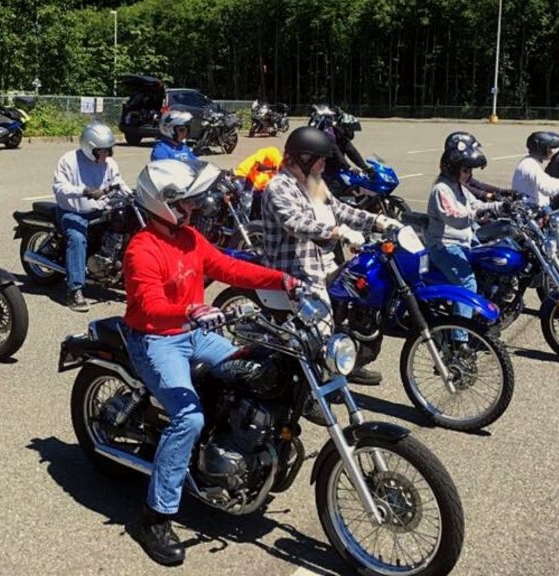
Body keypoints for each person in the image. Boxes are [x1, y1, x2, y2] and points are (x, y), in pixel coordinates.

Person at [123, 159, 302, 566]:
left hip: (194, 332)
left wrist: (281, 279)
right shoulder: (141, 249)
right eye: (185, 202)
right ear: (164, 203)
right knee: (188, 418)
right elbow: (149, 306)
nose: (193, 206)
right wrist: (190, 311)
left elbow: (229, 268)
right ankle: (155, 516)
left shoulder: (190, 237)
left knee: (255, 369)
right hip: (155, 338)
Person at [262, 126, 402, 386]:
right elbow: (296, 223)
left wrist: (378, 221)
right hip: (295, 269)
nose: (325, 164)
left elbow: (342, 210)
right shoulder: (279, 187)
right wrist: (339, 232)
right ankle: (313, 387)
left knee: (366, 292)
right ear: (304, 158)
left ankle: (349, 360)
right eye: (321, 159)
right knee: (321, 324)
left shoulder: (314, 183)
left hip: (325, 263)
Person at [426, 135, 504, 342]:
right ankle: (460, 339)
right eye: (466, 169)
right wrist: (481, 213)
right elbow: (456, 218)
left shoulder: (459, 187)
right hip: (445, 246)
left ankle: (483, 316)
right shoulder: (442, 189)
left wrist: (502, 206)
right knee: (467, 284)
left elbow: (476, 205)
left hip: (464, 243)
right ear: (453, 168)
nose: (470, 174)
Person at [53, 122, 130, 311]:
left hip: (101, 210)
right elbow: (59, 187)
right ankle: (75, 290)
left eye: (108, 150)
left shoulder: (109, 163)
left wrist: (132, 194)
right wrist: (84, 191)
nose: (105, 154)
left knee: (125, 228)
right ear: (89, 148)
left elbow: (119, 183)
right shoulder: (69, 160)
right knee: (77, 239)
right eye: (101, 151)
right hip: (73, 212)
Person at [309, 105, 372, 197]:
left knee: (350, 183)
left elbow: (352, 151)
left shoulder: (341, 136)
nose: (351, 133)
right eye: (349, 129)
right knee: (337, 186)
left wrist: (365, 167)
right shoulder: (329, 134)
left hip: (335, 168)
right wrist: (348, 168)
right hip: (324, 169)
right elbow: (336, 153)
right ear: (343, 127)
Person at [512, 131, 559, 208]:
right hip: (534, 209)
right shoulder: (530, 165)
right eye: (549, 148)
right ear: (541, 149)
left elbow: (547, 181)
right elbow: (547, 189)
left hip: (533, 205)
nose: (551, 152)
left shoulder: (529, 162)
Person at [444, 131, 516, 202]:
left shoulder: (461, 176)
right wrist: (487, 195)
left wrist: (502, 191)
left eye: (470, 171)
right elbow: (465, 188)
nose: (468, 174)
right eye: (465, 171)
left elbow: (479, 185)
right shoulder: (447, 186)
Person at [233, 146, 283, 219]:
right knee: (246, 203)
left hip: (255, 187)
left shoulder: (278, 176)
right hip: (244, 175)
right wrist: (270, 167)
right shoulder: (274, 154)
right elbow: (260, 157)